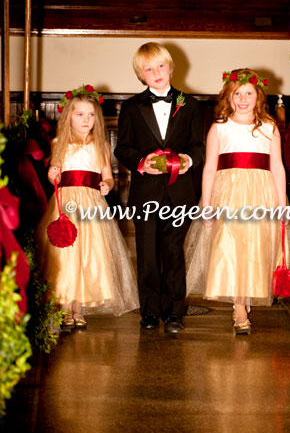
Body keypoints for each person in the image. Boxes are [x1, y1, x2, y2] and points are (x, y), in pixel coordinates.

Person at [185, 69, 287, 335]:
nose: (243, 99)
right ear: (228, 98)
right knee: (230, 246)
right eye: (236, 94)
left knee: (254, 247)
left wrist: (282, 201)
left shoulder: (269, 127)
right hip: (228, 195)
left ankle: (246, 296)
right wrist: (206, 204)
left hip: (261, 194)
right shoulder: (219, 128)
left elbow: (277, 166)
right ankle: (239, 307)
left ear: (259, 96)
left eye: (249, 94)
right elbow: (209, 168)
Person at [114, 42, 204, 334]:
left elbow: (198, 146)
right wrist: (141, 161)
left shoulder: (191, 105)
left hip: (180, 193)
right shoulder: (130, 107)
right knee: (148, 254)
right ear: (141, 74)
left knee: (174, 253)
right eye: (148, 69)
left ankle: (175, 312)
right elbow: (123, 148)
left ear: (170, 67)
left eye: (160, 66)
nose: (156, 73)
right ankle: (150, 311)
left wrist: (188, 159)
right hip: (145, 193)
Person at [36, 85, 139, 328]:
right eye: (80, 114)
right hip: (66, 204)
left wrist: (107, 184)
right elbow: (54, 177)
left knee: (89, 253)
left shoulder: (100, 145)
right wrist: (52, 174)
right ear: (68, 116)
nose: (86, 120)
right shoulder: (59, 142)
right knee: (65, 253)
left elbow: (108, 175)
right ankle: (64, 306)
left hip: (92, 204)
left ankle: (79, 307)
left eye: (91, 115)